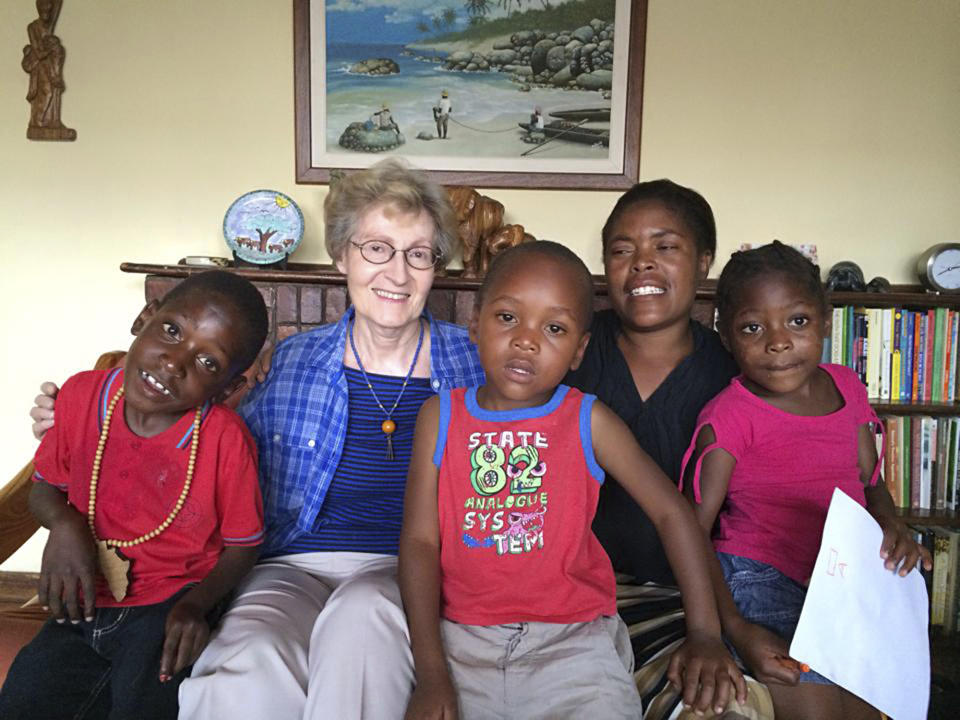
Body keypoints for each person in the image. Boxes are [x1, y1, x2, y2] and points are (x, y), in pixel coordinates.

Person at [400, 241, 745, 720]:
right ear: (475, 322)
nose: (527, 340)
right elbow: (419, 542)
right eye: (507, 318)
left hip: (575, 646)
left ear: (579, 349)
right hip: (462, 643)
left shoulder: (588, 420)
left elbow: (672, 511)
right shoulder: (440, 417)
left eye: (554, 328)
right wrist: (432, 669)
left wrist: (705, 632)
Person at [565, 180, 794, 718]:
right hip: (567, 589)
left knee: (719, 707)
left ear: (705, 262)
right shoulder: (570, 348)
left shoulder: (735, 372)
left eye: (665, 247)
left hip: (685, 598)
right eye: (622, 251)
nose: (641, 264)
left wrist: (715, 629)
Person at [680, 242, 932, 720]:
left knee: (872, 705)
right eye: (753, 328)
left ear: (825, 321)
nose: (778, 342)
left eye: (797, 321)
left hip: (844, 578)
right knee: (816, 708)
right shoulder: (730, 417)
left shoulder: (847, 387)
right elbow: (692, 527)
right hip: (762, 579)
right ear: (726, 335)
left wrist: (890, 520)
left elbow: (870, 479)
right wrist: (731, 626)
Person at [0, 271, 268, 719]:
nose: (174, 363)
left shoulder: (225, 439)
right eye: (171, 331)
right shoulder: (83, 395)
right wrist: (64, 524)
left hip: (169, 603)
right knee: (26, 697)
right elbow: (46, 484)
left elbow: (244, 545)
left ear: (225, 388)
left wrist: (196, 606)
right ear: (145, 317)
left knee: (146, 700)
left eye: (207, 363)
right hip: (85, 593)